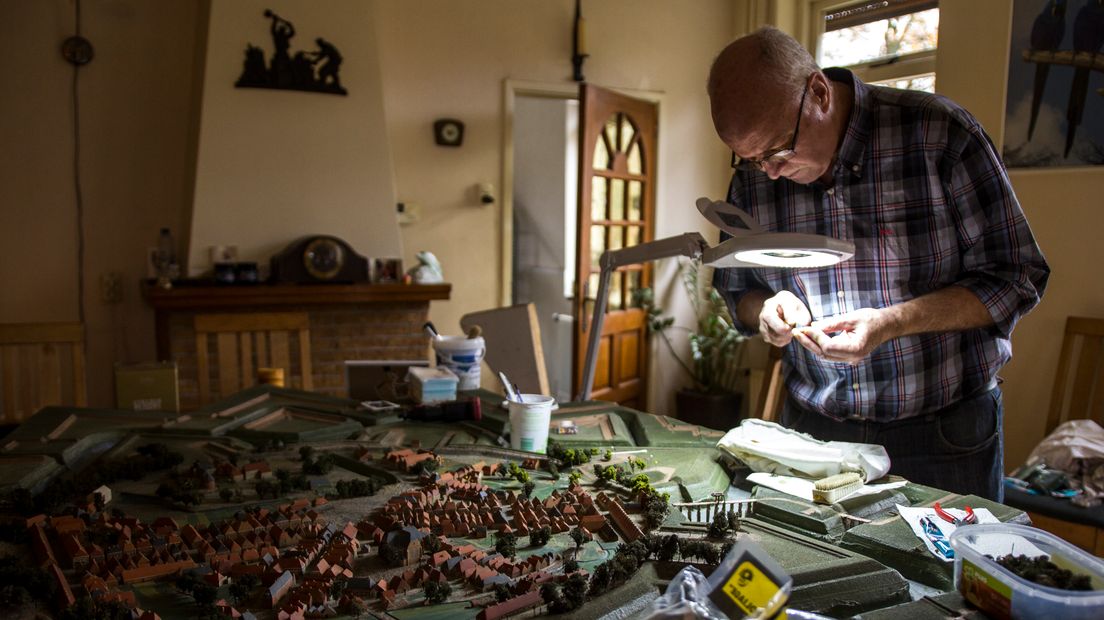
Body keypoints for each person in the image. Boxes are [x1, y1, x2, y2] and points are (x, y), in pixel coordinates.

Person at [707, 27, 1049, 502]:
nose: (770, 172)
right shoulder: (756, 174)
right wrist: (768, 307)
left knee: (948, 576)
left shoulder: (938, 135)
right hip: (813, 433)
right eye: (749, 159)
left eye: (778, 151)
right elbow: (735, 288)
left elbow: (1017, 277)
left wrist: (892, 322)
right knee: (809, 571)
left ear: (820, 94)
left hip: (942, 437)